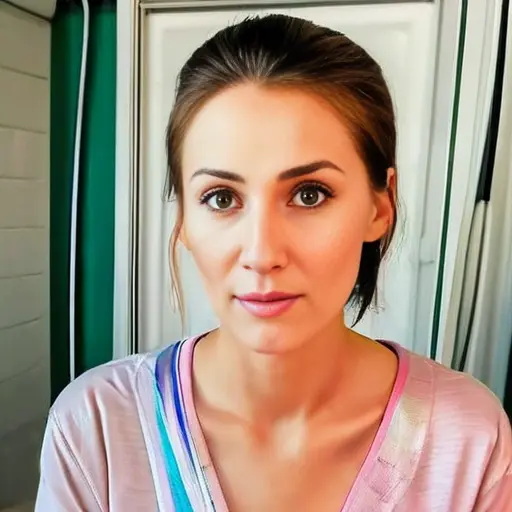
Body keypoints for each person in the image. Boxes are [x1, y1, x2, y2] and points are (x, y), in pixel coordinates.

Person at [36, 14, 511, 511]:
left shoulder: (469, 439)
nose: (262, 254)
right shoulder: (96, 428)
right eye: (222, 198)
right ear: (184, 221)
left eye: (310, 194)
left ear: (380, 206)